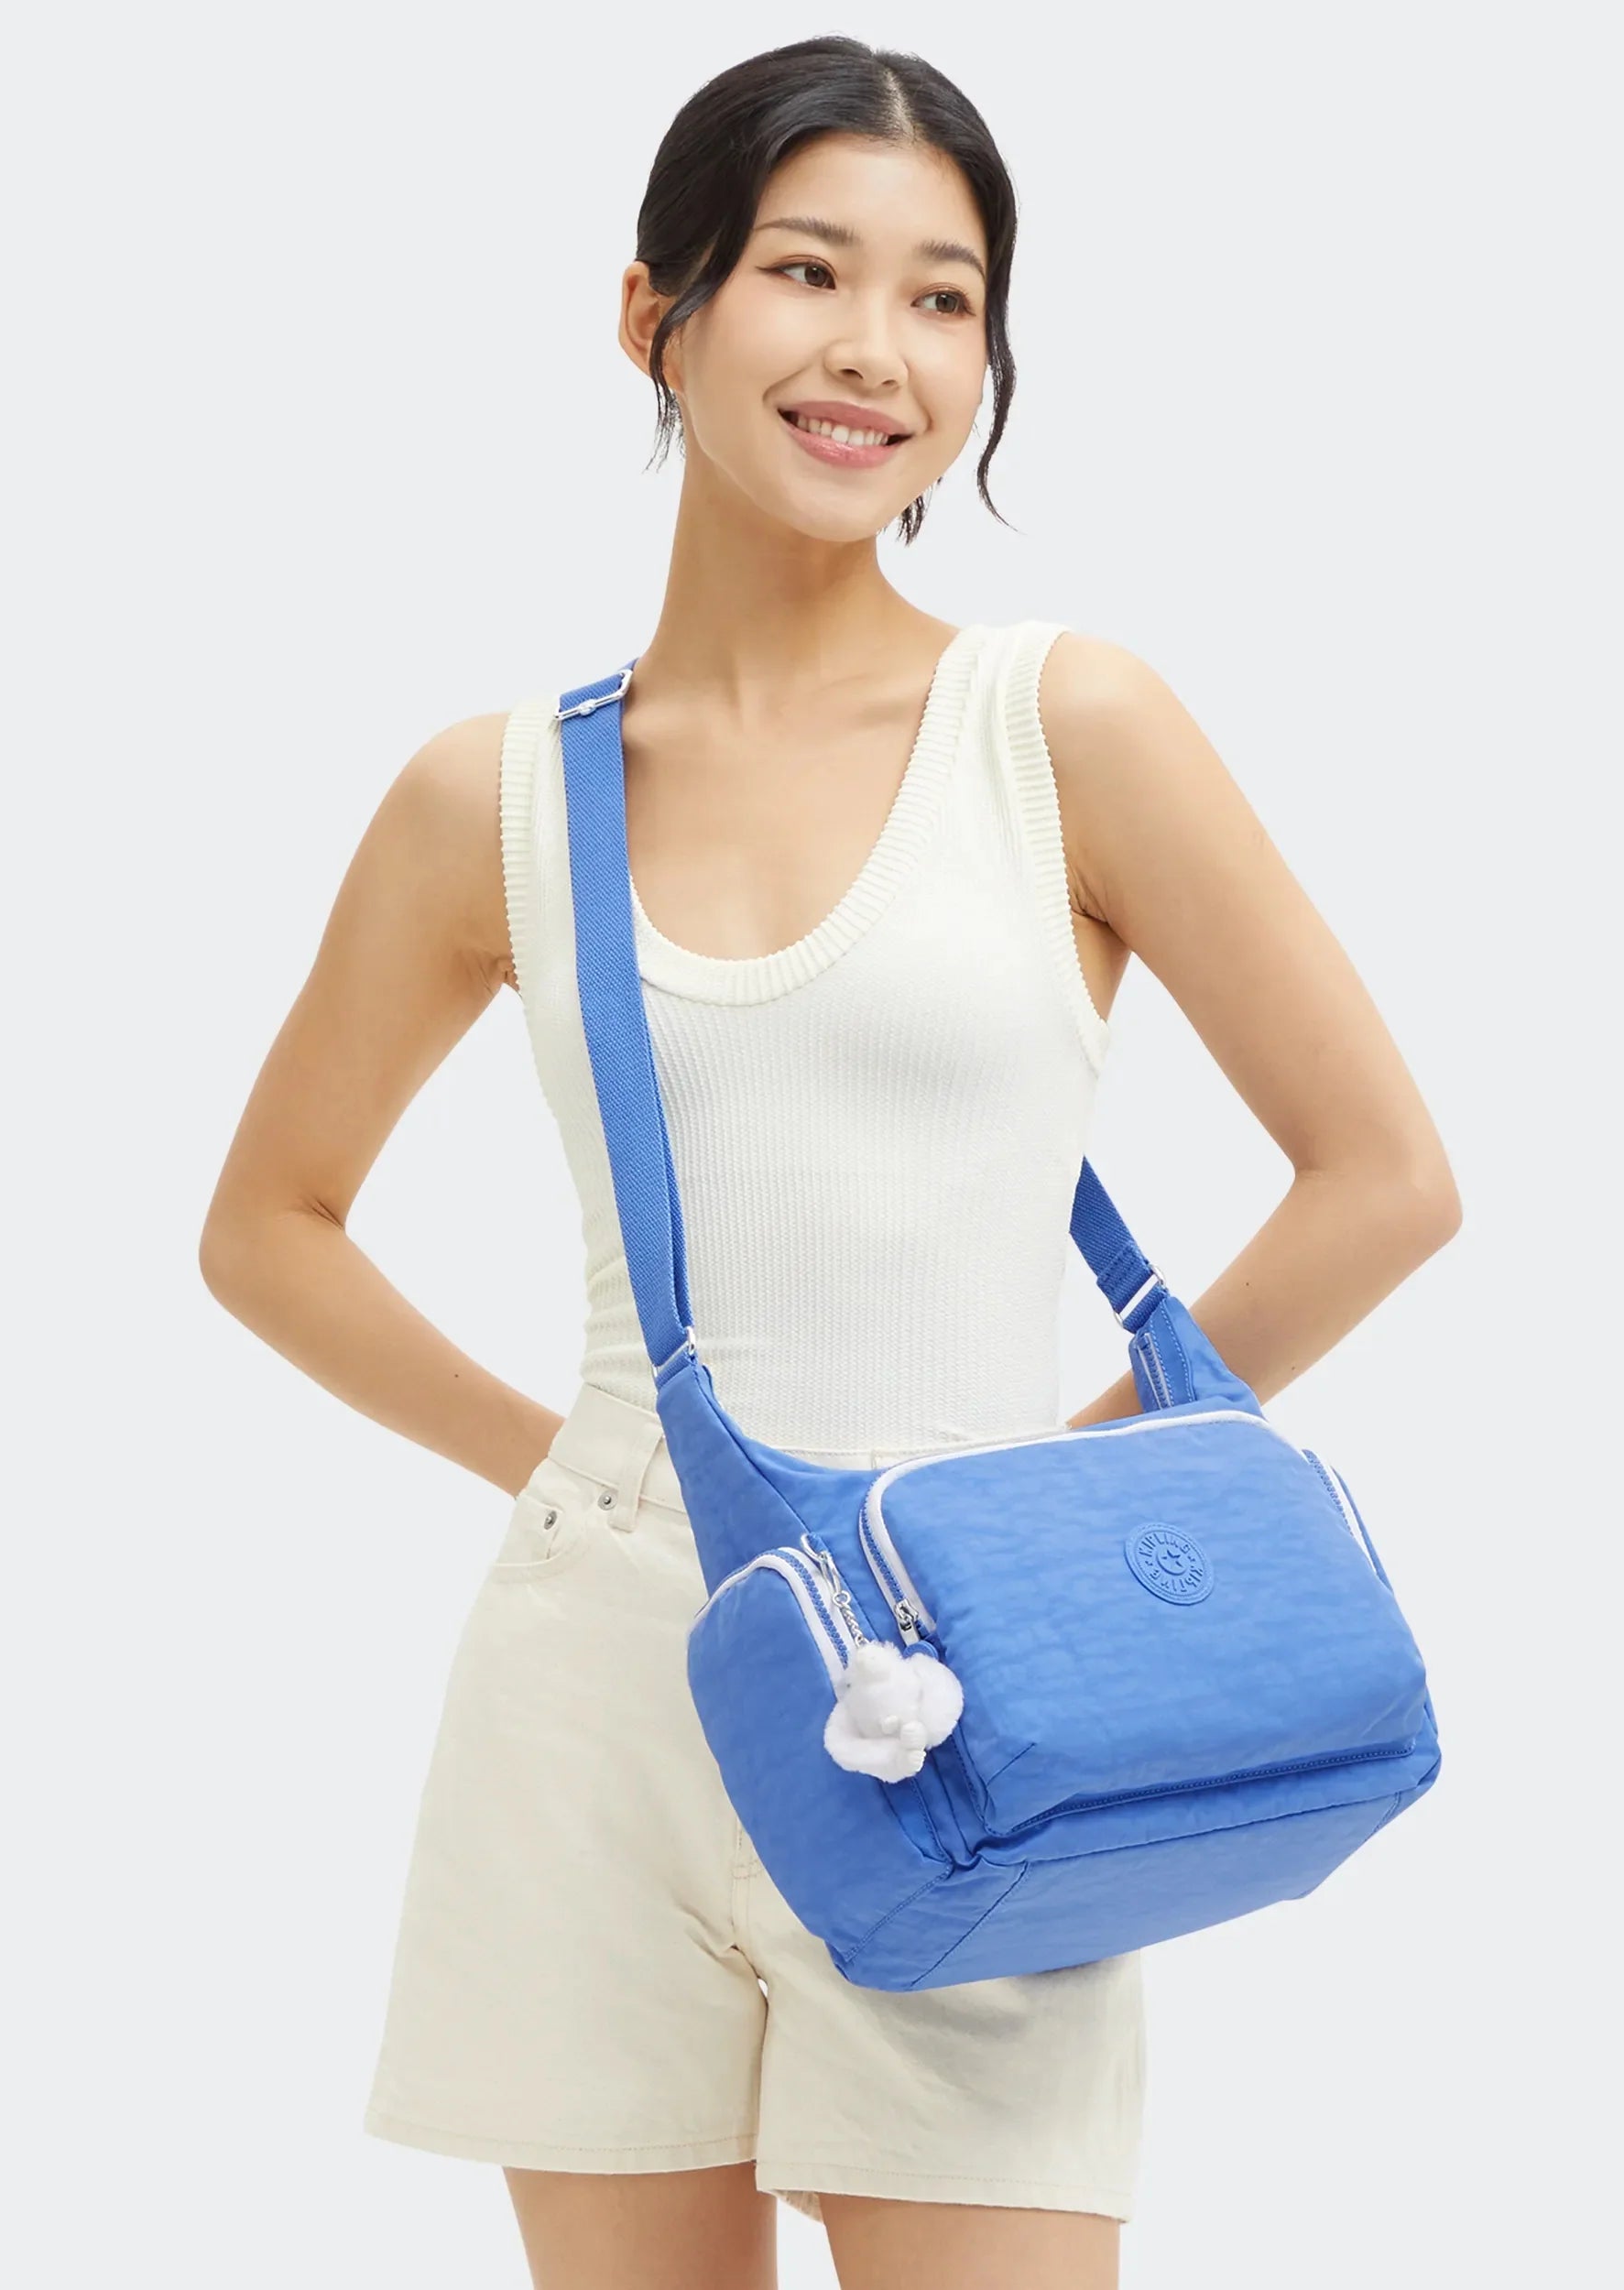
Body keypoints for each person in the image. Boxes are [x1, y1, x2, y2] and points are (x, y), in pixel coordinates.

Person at [199, 33, 1460, 2290]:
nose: (876, 346)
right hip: (596, 1709)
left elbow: (1381, 1175)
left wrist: (1025, 1527)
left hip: (978, 1696)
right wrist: (573, 1474)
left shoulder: (1062, 725)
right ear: (654, 313)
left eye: (942, 296)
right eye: (806, 269)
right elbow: (268, 1226)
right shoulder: (493, 798)